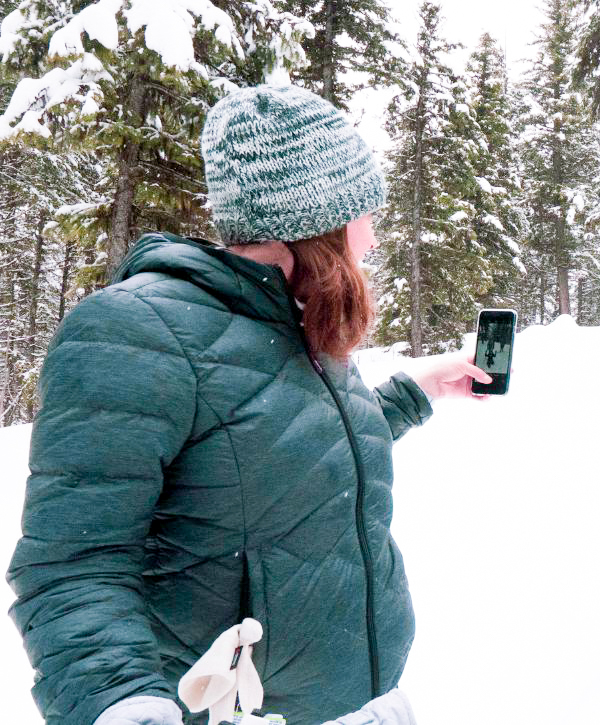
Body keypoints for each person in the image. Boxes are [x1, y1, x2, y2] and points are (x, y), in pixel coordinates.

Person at [6, 84, 492, 725]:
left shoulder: (297, 325)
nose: (371, 240)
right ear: (316, 221)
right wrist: (121, 705)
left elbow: (287, 453)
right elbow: (73, 563)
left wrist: (417, 390)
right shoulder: (136, 329)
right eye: (364, 216)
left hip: (358, 698)